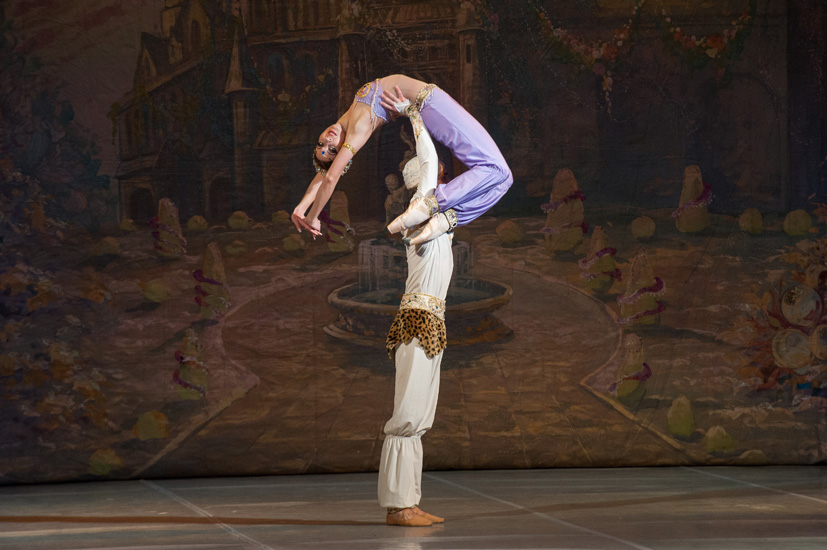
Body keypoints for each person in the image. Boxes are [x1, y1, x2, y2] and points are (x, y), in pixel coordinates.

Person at [291, 75, 512, 245]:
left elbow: (323, 174)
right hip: (434, 106)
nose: (327, 141)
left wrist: (301, 207)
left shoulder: (347, 118)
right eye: (332, 150)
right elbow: (331, 177)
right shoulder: (357, 129)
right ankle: (433, 203)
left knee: (505, 180)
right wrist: (313, 217)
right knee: (497, 170)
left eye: (320, 145)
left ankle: (446, 219)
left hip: (433, 107)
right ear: (341, 152)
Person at [379, 113, 452, 527]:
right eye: (438, 175)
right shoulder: (418, 213)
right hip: (417, 321)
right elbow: (428, 164)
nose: (443, 178)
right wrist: (417, 118)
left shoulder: (436, 221)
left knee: (421, 416)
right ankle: (397, 506)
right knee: (408, 413)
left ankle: (409, 500)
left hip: (432, 322)